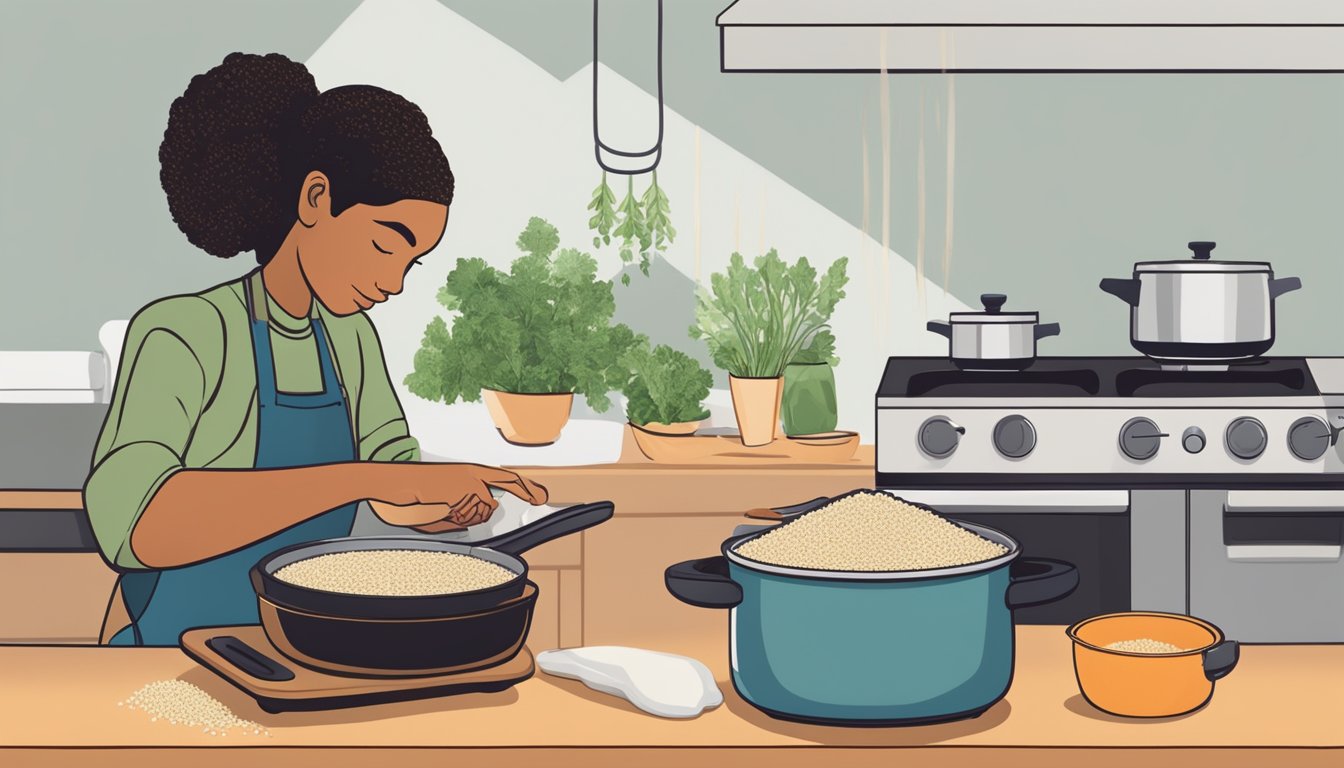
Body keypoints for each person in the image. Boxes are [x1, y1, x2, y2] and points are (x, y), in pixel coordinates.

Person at [84, 52, 547, 646]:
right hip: (178, 655)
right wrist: (362, 482)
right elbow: (135, 522)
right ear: (316, 199)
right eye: (386, 245)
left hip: (306, 647)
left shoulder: (349, 337)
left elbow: (389, 475)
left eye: (413, 263)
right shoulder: (186, 332)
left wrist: (441, 504)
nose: (395, 283)